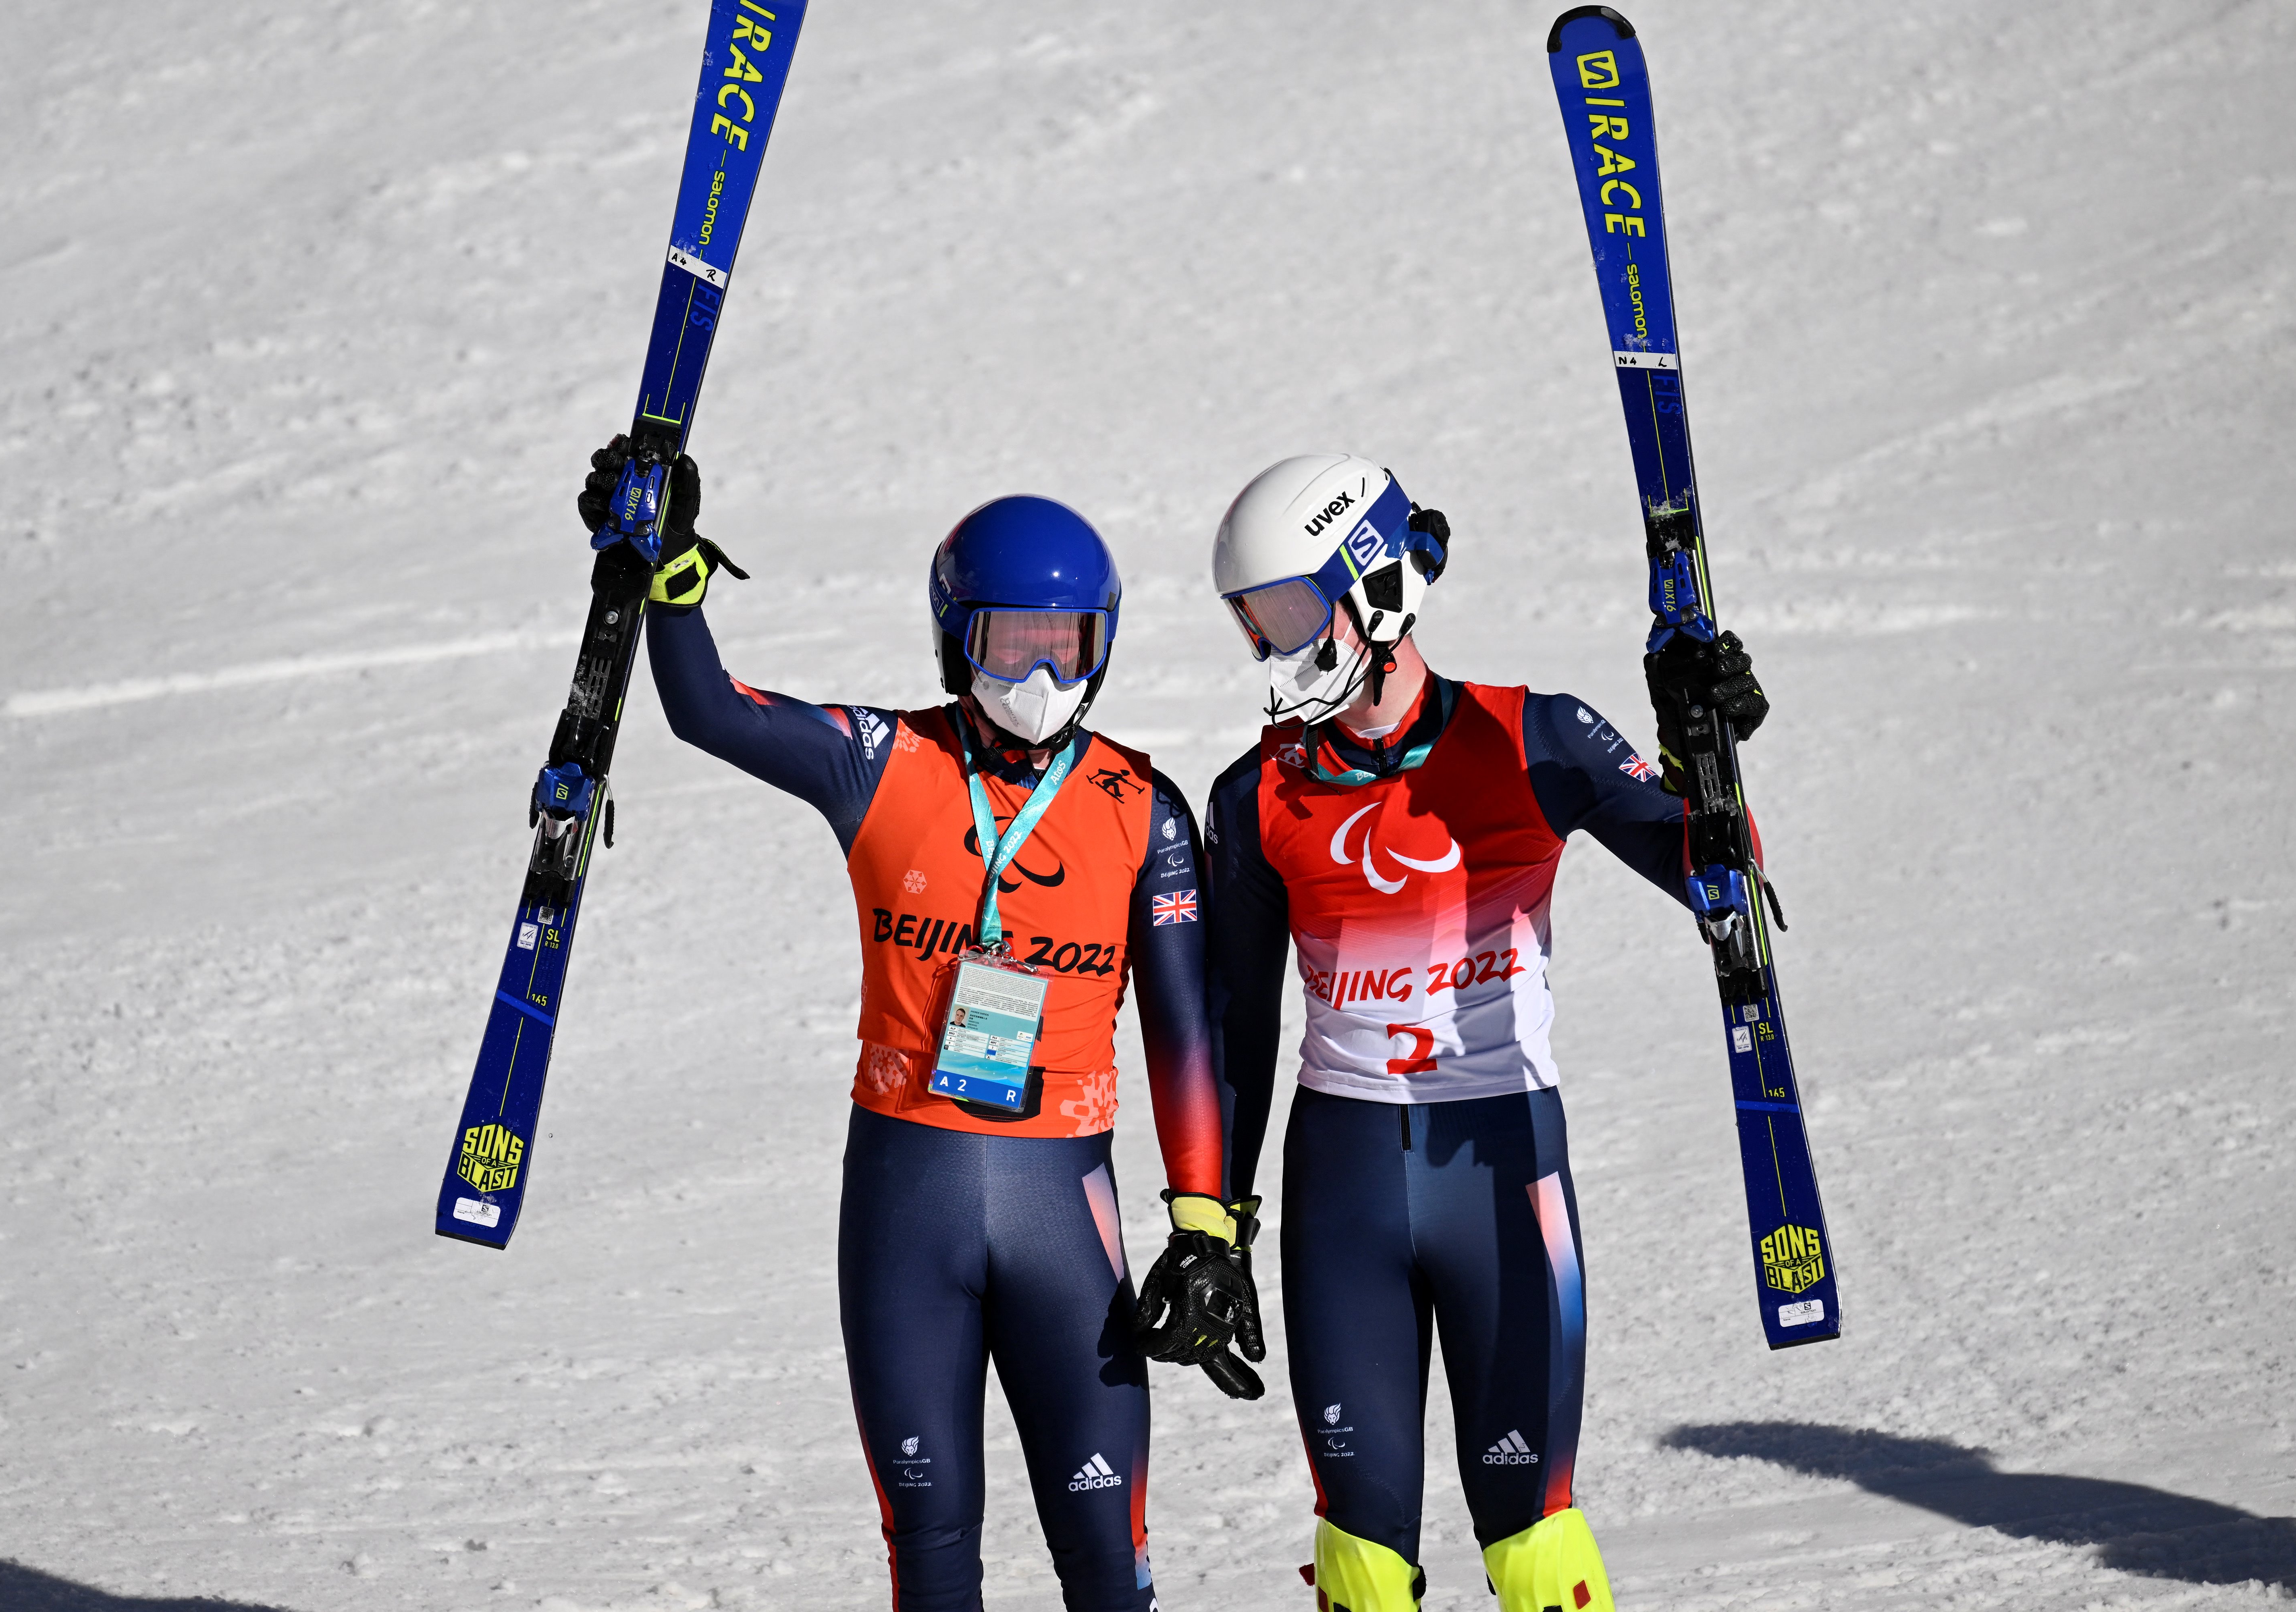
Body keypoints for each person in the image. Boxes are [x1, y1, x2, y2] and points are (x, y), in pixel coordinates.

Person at [581, 438, 1260, 1612]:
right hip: (907, 1206)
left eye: (1069, 648)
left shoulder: (1146, 811)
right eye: (1011, 642)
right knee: (932, 1552)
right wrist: (672, 567)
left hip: (1067, 1219)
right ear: (957, 635)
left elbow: (1185, 1035)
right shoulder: (880, 762)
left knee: (1108, 1562)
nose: (1040, 676)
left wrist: (1206, 1228)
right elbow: (708, 712)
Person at [1200, 455, 1768, 1612]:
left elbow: (1720, 884)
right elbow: (1233, 1026)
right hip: (1341, 1187)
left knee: (1533, 1543)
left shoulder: (1536, 738)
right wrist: (1216, 1220)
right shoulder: (1255, 796)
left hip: (1503, 1163)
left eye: (1292, 613)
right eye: (1254, 623)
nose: (1273, 650)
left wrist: (1706, 752)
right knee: (1360, 1562)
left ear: (1379, 589)